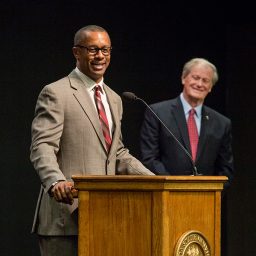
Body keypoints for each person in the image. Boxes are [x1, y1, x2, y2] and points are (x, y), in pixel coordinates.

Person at [30, 25, 154, 256]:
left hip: (104, 217)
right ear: (77, 52)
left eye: (105, 50)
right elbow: (42, 145)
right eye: (93, 49)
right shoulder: (56, 92)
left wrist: (157, 182)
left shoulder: (115, 99)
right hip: (65, 217)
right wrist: (56, 181)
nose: (100, 56)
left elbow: (116, 153)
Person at [140, 58, 234, 184]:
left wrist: (212, 195)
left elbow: (226, 169)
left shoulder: (222, 123)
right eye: (195, 77)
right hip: (166, 195)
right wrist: (175, 188)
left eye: (205, 80)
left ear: (210, 87)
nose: (199, 84)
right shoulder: (157, 113)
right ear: (184, 78)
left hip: (206, 199)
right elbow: (149, 159)